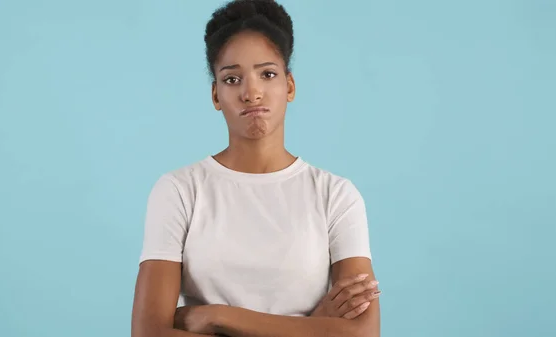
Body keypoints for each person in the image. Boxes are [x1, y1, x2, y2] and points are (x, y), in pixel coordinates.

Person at [131, 1, 381, 336]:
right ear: (216, 95)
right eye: (232, 79)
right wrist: (309, 328)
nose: (251, 92)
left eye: (267, 74)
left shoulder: (336, 196)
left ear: (289, 86)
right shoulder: (179, 191)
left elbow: (363, 333)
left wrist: (218, 317)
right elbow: (148, 333)